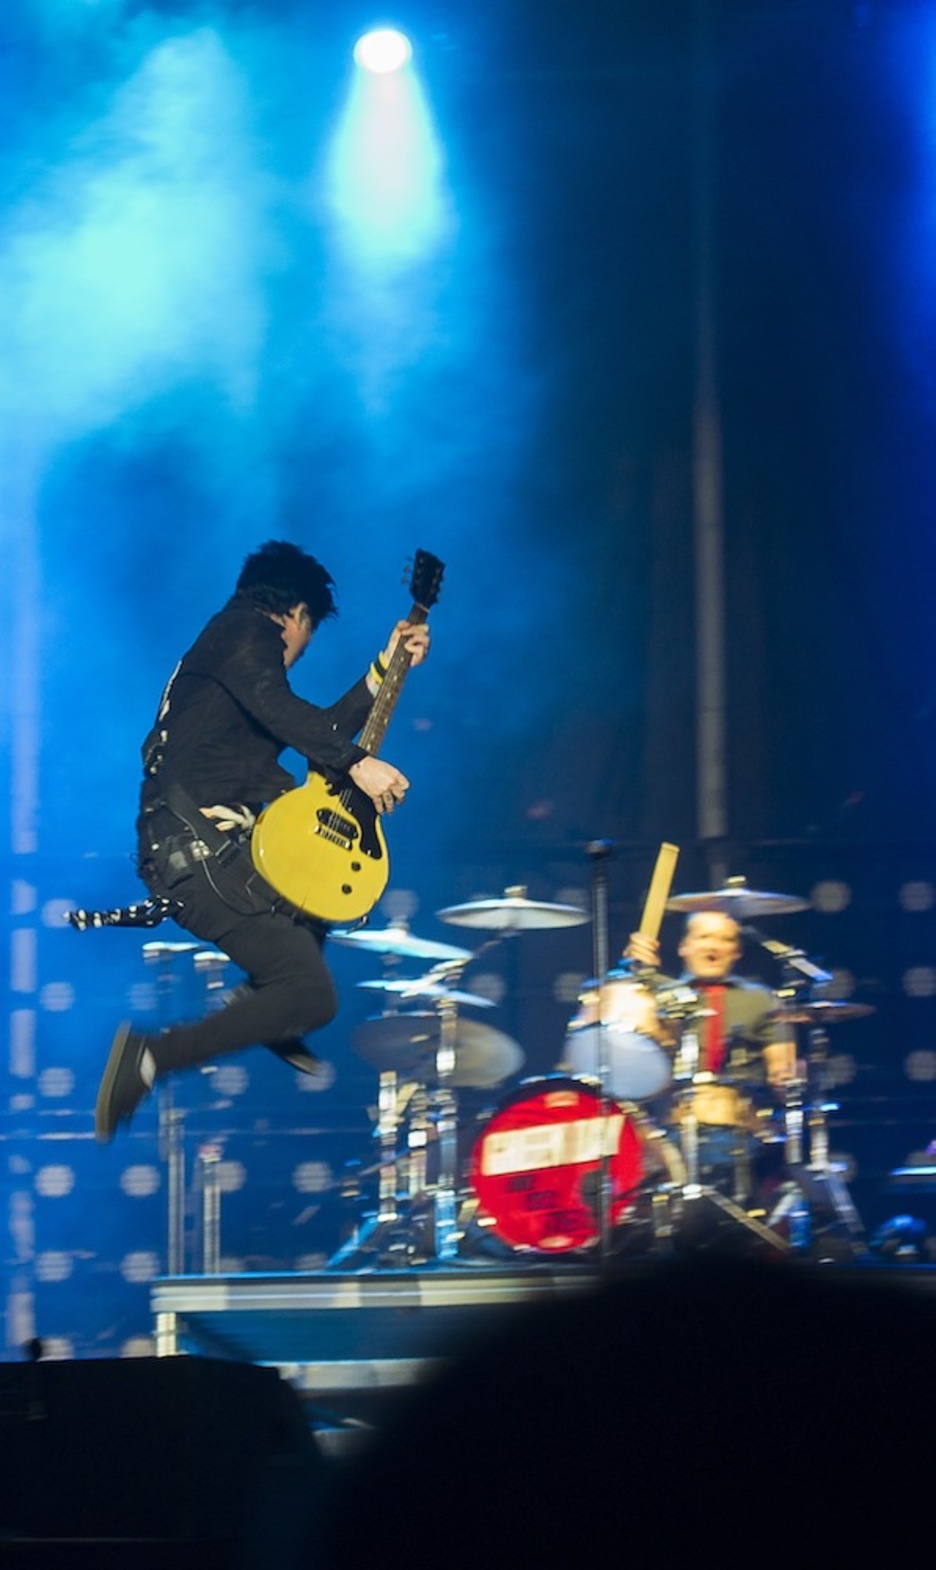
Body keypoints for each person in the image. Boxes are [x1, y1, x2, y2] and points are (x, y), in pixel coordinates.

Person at [94, 539, 429, 1142]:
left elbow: (302, 724)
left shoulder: (231, 645)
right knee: (311, 995)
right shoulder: (247, 634)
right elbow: (285, 711)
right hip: (196, 852)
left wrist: (386, 669)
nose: (299, 651)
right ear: (297, 615)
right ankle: (147, 1059)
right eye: (308, 635)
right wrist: (357, 763)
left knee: (322, 871)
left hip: (204, 846)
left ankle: (266, 1004)